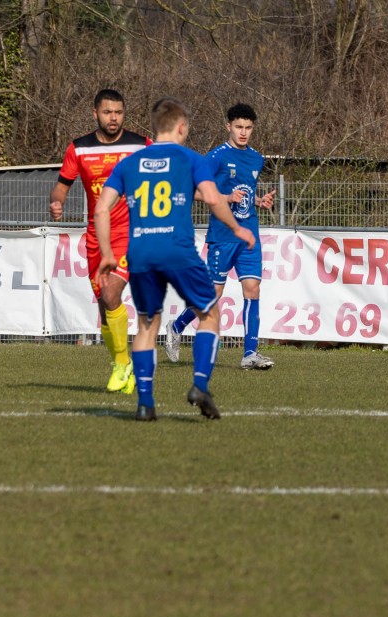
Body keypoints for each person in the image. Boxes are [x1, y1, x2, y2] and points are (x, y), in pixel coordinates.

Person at [94, 97, 256, 421]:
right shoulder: (191, 159)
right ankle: (199, 385)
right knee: (209, 315)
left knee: (146, 325)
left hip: (140, 253)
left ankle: (145, 403)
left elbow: (101, 209)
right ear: (182, 128)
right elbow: (212, 198)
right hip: (178, 250)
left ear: (155, 129)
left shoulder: (129, 163)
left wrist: (108, 254)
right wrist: (237, 227)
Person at [50, 89, 150, 393]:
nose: (114, 118)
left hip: (130, 234)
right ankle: (123, 364)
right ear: (95, 113)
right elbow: (62, 186)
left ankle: (122, 365)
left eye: (119, 112)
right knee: (105, 308)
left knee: (110, 294)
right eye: (108, 112)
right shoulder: (79, 148)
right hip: (96, 236)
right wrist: (57, 203)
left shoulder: (140, 144)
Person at [166, 103, 276, 369]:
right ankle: (176, 326)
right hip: (222, 237)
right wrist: (224, 198)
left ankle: (250, 353)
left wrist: (258, 201)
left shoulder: (256, 159)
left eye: (248, 128)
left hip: (248, 235)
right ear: (228, 126)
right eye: (238, 127)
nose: (243, 132)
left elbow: (244, 194)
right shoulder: (215, 157)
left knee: (252, 289)